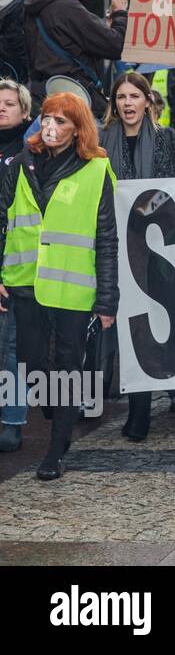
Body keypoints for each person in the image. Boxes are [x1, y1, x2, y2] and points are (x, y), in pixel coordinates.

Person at [0, 91, 118, 480]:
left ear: (78, 128)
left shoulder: (97, 170)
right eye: (48, 117)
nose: (51, 126)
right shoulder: (20, 164)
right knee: (30, 364)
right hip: (25, 283)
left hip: (72, 287)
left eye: (62, 120)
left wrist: (106, 300)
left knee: (68, 366)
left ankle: (55, 450)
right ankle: (57, 411)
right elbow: (2, 221)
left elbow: (106, 238)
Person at [100, 72, 175, 441]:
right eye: (120, 97)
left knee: (154, 321)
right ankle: (125, 405)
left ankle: (161, 396)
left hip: (158, 247)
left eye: (134, 96)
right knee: (124, 324)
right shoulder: (99, 142)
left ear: (147, 101)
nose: (127, 104)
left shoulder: (169, 140)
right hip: (113, 245)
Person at [25, 0, 129, 116]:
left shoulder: (37, 3)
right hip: (75, 97)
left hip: (43, 93)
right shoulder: (68, 8)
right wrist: (120, 13)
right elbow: (116, 45)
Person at [0, 80, 32, 452]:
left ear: (26, 113)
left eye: (10, 103)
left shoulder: (30, 154)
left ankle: (12, 419)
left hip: (14, 266)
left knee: (10, 348)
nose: (3, 108)